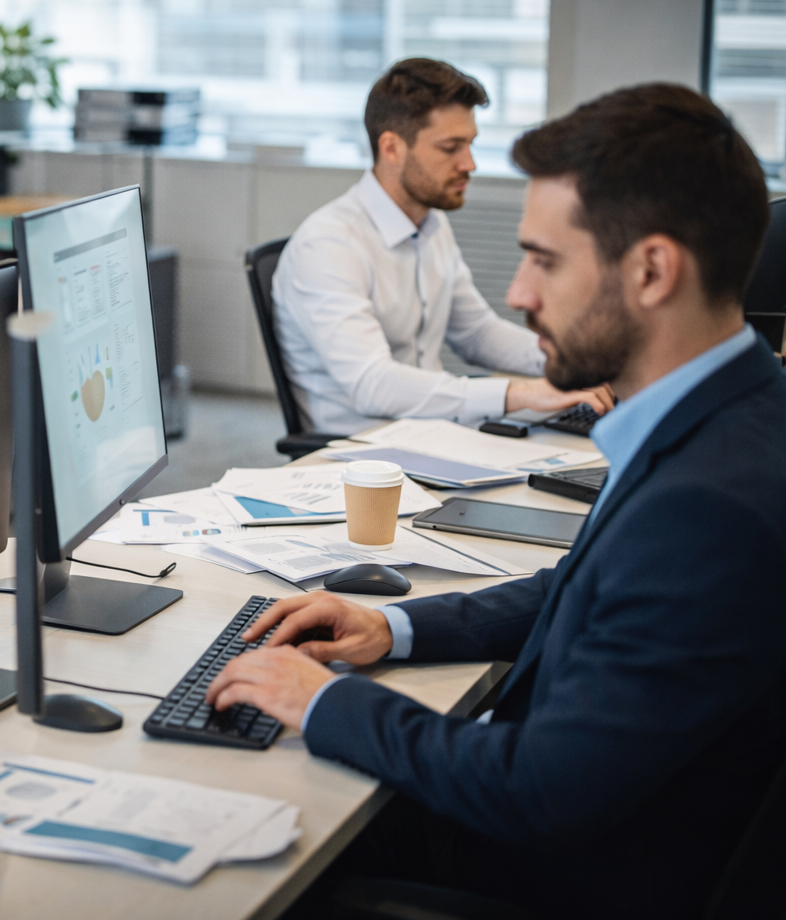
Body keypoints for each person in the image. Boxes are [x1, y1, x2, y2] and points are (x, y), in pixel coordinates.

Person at [209, 85, 786, 917]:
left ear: (653, 270)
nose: (521, 290)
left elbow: (538, 790)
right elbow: (580, 591)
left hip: (549, 873)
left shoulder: (709, 507)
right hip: (588, 831)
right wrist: (397, 627)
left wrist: (323, 700)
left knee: (244, 837)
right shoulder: (735, 414)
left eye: (545, 260)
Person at [274, 58, 612, 435]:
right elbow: (372, 384)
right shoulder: (329, 245)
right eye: (451, 147)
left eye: (470, 144)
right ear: (392, 148)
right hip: (359, 461)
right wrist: (520, 393)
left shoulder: (432, 225)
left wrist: (574, 362)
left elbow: (476, 333)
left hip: (432, 436)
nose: (469, 164)